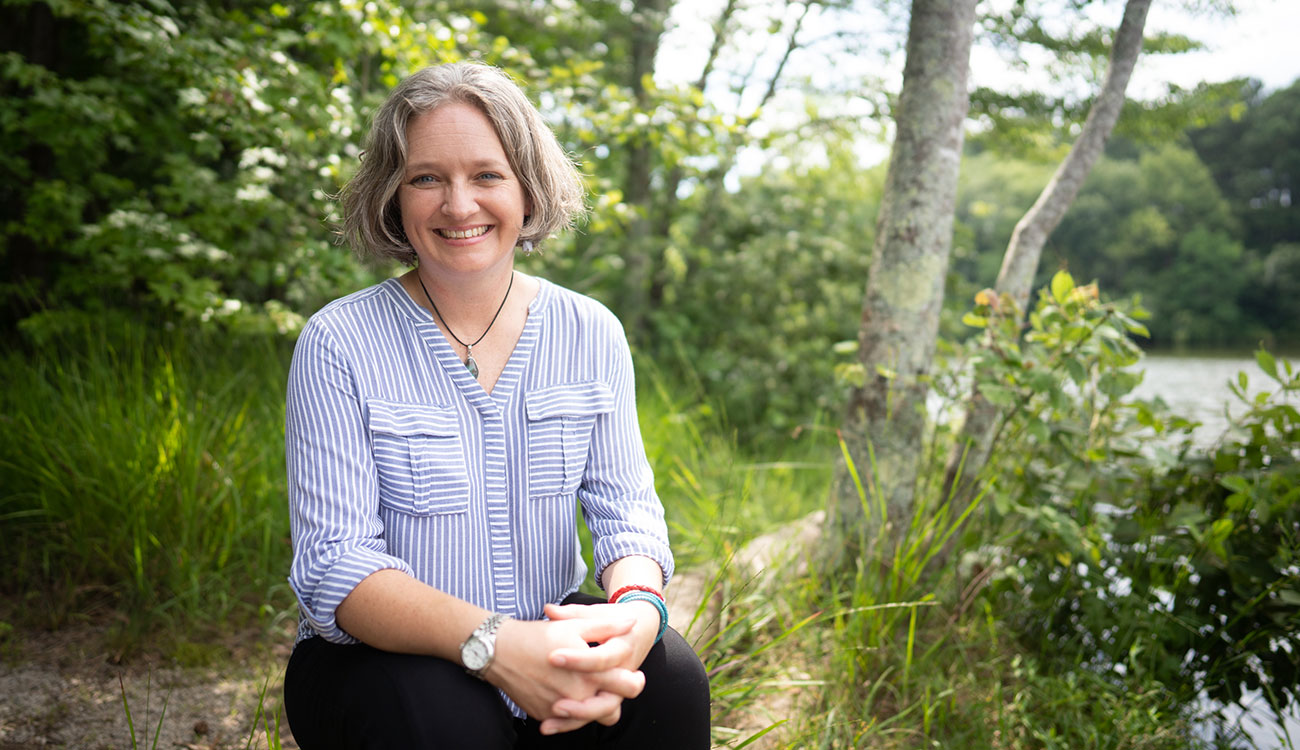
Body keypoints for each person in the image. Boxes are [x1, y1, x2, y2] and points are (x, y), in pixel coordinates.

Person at [281, 62, 710, 749]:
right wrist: (495, 646)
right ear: (393, 194)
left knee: (672, 679)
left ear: (528, 188)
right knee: (449, 724)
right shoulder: (339, 342)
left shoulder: (590, 331)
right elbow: (337, 566)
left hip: (548, 630)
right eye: (427, 178)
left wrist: (637, 612)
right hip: (382, 660)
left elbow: (626, 513)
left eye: (486, 175)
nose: (458, 205)